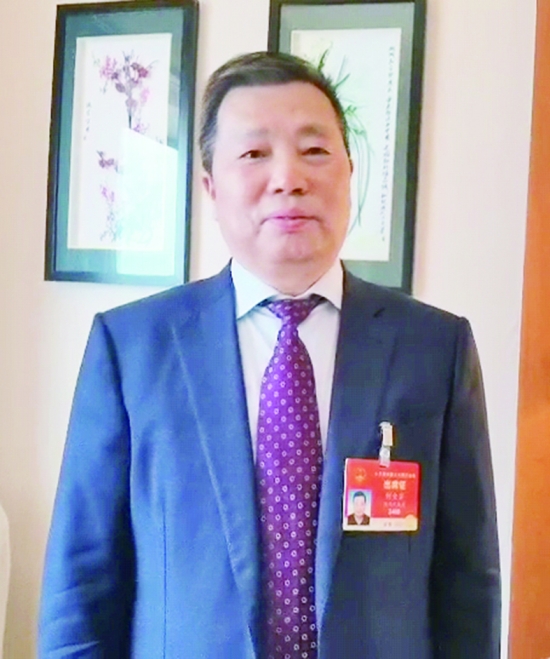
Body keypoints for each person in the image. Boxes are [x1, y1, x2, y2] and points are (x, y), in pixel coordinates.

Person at [38, 52, 501, 658]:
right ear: (211, 185)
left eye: (314, 150)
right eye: (255, 153)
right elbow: (80, 590)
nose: (289, 178)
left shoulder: (434, 347)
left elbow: (468, 585)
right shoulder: (132, 348)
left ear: (349, 173)